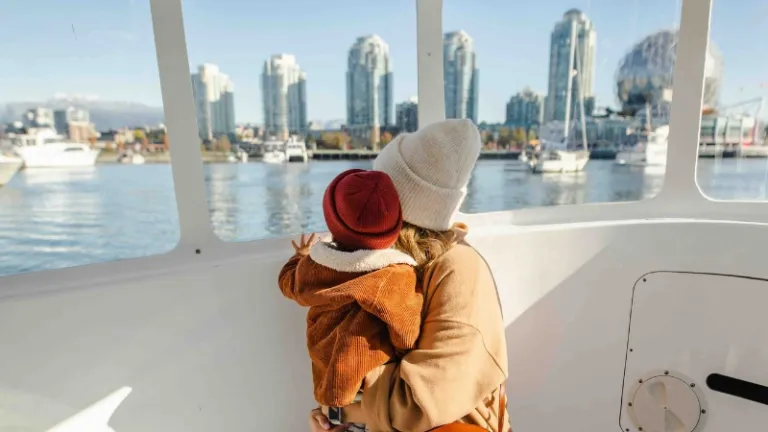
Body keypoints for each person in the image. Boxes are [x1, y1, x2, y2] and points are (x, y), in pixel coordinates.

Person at [308, 119, 510, 432]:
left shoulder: (459, 270)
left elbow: (422, 402)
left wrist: (341, 407)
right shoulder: (374, 262)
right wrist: (336, 414)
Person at [279, 169, 424, 430]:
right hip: (371, 391)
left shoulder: (315, 267)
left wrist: (299, 256)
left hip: (331, 395)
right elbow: (406, 332)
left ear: (332, 224)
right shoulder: (395, 275)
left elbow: (289, 282)